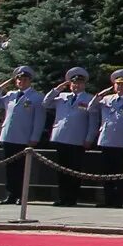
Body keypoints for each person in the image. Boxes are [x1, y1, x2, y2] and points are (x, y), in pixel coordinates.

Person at [43, 68, 97, 207]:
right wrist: (57, 89)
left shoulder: (89, 99)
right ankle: (62, 197)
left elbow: (93, 121)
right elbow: (45, 103)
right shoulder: (62, 97)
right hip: (61, 137)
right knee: (61, 170)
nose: (76, 86)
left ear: (84, 84)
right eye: (73, 83)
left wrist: (89, 138)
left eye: (79, 83)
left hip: (77, 139)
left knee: (74, 170)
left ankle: (72, 198)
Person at [0, 66, 46, 204]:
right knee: (10, 168)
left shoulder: (36, 97)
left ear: (30, 81)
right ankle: (11, 194)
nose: (22, 82)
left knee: (22, 168)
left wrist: (34, 137)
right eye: (19, 79)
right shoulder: (10, 95)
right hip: (8, 136)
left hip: (24, 137)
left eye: (25, 79)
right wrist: (0, 88)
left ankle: (21, 196)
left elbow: (39, 119)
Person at [92, 71, 123, 208]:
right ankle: (107, 199)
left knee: (119, 173)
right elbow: (91, 108)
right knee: (106, 172)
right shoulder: (107, 99)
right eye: (117, 84)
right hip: (106, 140)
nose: (119, 87)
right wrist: (100, 95)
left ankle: (117, 200)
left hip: (122, 142)